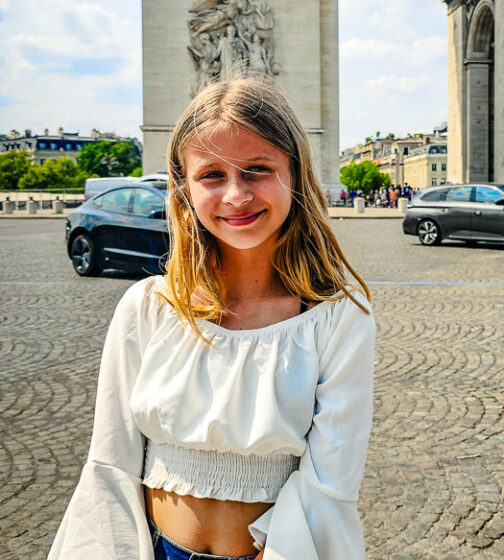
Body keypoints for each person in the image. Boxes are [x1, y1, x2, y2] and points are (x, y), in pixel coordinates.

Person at [48, 78, 375, 560]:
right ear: (184, 187)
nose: (237, 194)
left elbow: (330, 480)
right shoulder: (146, 307)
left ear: (295, 174)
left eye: (258, 169)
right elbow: (110, 464)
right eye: (212, 175)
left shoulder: (340, 316)